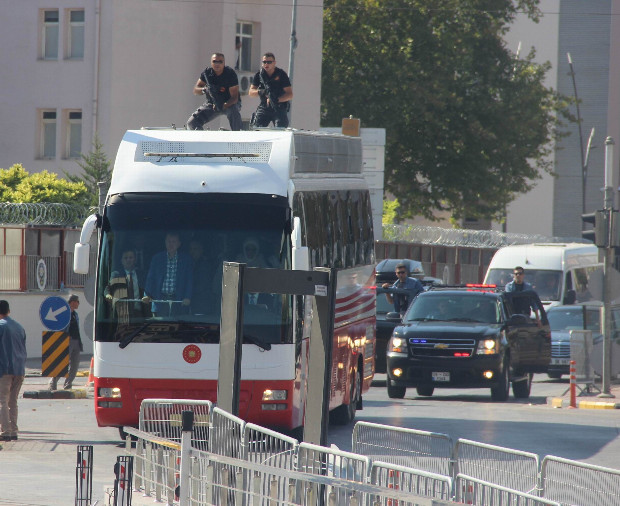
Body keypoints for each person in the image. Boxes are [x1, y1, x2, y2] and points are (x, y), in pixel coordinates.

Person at [187, 53, 242, 131]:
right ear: (211, 62)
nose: (217, 64)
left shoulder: (230, 74)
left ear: (224, 63)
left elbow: (234, 98)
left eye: (220, 62)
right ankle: (203, 139)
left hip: (229, 103)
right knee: (192, 122)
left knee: (233, 112)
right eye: (214, 61)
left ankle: (238, 136)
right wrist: (205, 90)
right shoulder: (207, 73)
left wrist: (223, 105)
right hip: (212, 104)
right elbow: (196, 90)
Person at [143, 232, 193, 317]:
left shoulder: (186, 259)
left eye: (173, 242)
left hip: (178, 300)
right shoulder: (157, 258)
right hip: (160, 299)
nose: (171, 244)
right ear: (165, 243)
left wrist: (187, 297)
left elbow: (189, 280)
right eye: (169, 241)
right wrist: (147, 295)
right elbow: (151, 279)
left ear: (179, 244)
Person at [0, 300, 26, 441]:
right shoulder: (19, 327)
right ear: (8, 311)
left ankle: (5, 432)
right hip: (19, 369)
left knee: (2, 401)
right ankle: (14, 431)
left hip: (4, 369)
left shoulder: (1, 327)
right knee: (13, 401)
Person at [248, 52, 293, 128]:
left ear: (274, 63)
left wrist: (276, 99)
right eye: (264, 62)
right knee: (256, 128)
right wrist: (261, 92)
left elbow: (289, 94)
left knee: (281, 130)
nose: (266, 64)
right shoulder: (259, 75)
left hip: (278, 107)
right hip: (265, 106)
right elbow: (251, 92)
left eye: (269, 62)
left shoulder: (281, 74)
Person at [49, 294, 83, 391]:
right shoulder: (64, 313)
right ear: (72, 302)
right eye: (77, 301)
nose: (79, 304)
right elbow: (59, 327)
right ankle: (53, 382)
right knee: (62, 364)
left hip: (76, 341)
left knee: (75, 365)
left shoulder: (75, 314)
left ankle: (68, 384)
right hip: (66, 340)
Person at [104, 249, 147, 322]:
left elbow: (148, 289)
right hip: (123, 314)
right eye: (126, 258)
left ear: (135, 259)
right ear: (122, 261)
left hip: (140, 313)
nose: (128, 260)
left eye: (131, 257)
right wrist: (108, 295)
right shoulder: (116, 274)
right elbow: (108, 289)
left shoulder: (141, 274)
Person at [189, 240, 211, 314]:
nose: (192, 252)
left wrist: (188, 293)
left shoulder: (205, 265)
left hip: (202, 303)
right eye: (191, 249)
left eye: (195, 249)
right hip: (193, 302)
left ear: (201, 250)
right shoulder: (190, 264)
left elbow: (203, 285)